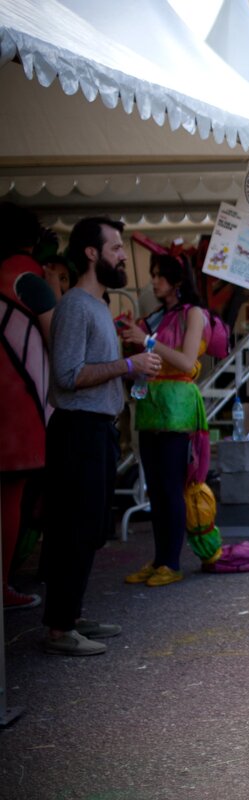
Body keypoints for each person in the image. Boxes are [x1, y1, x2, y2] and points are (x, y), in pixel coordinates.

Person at [42, 216, 161, 655]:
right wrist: (127, 367)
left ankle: (69, 615)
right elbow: (68, 375)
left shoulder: (97, 307)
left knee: (89, 528)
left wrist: (132, 367)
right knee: (74, 529)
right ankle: (58, 628)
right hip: (78, 432)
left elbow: (93, 372)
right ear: (91, 253)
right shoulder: (75, 305)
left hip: (96, 431)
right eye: (114, 247)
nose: (120, 255)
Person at [120, 254, 213, 587]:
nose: (153, 282)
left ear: (177, 282)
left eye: (159, 276)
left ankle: (171, 562)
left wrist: (145, 340)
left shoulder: (194, 314)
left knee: (172, 488)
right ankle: (160, 558)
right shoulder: (152, 318)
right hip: (149, 408)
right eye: (153, 275)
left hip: (176, 410)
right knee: (156, 489)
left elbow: (187, 361)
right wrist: (128, 337)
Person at [0, 203, 56, 610]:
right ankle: (3, 584)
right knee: (10, 499)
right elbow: (61, 342)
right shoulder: (28, 278)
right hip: (16, 404)